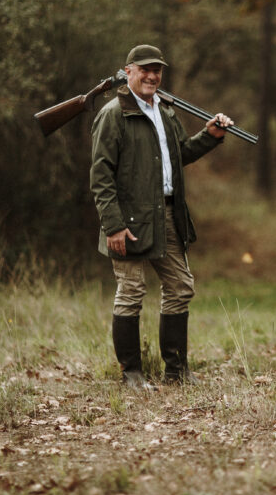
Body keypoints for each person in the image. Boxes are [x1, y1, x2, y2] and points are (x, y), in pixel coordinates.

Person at [90, 44, 234, 391]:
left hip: (166, 213)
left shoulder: (165, 112)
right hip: (127, 220)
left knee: (181, 287)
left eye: (157, 70)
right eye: (145, 69)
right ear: (128, 71)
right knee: (131, 291)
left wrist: (210, 136)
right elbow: (101, 176)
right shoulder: (113, 114)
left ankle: (176, 371)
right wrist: (113, 225)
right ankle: (131, 374)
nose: (152, 76)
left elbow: (179, 154)